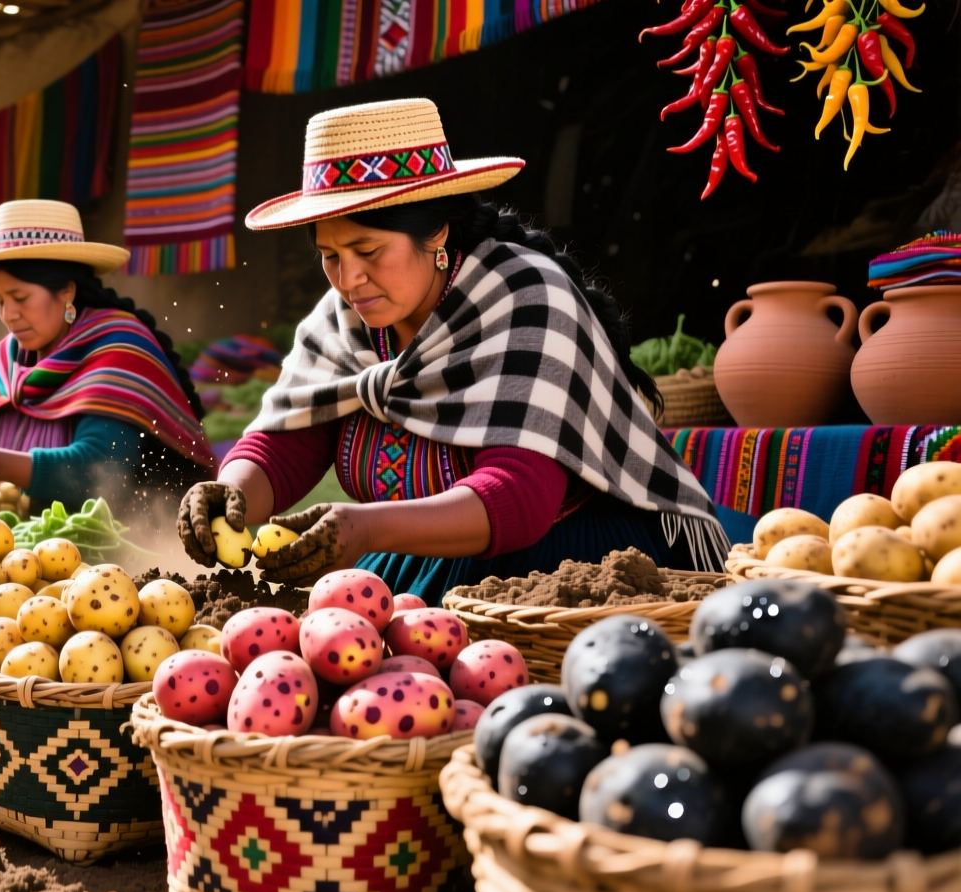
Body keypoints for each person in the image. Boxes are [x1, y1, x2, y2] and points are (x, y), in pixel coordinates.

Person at [176, 99, 728, 601]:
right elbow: (287, 444)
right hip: (420, 560)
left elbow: (520, 497)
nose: (348, 279)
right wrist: (231, 495)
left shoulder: (528, 299)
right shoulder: (344, 317)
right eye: (330, 255)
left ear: (436, 231)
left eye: (367, 250)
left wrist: (366, 528)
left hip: (565, 567)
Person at [0, 200, 216, 514]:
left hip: (121, 541)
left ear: (67, 292)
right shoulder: (11, 354)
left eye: (20, 298)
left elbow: (101, 471)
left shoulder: (120, 348)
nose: (9, 315)